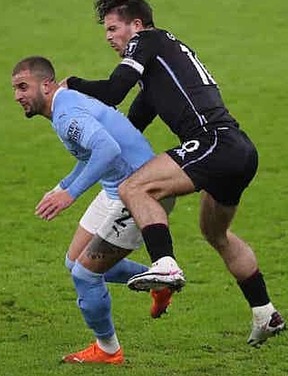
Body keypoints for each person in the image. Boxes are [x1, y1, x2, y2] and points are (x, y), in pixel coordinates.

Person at [61, 0, 286, 347]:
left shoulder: (148, 40)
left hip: (214, 142)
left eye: (113, 28)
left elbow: (114, 91)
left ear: (136, 25)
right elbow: (129, 126)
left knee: (135, 187)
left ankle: (164, 264)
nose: (109, 38)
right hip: (238, 149)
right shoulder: (159, 71)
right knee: (215, 233)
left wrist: (70, 86)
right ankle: (265, 313)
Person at [11, 56, 175, 364]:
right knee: (74, 262)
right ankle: (157, 281)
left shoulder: (66, 113)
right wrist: (63, 185)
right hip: (118, 189)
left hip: (142, 193)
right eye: (15, 89)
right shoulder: (64, 104)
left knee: (85, 275)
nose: (17, 96)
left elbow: (107, 149)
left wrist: (70, 195)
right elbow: (92, 153)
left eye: (23, 87)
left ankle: (108, 350)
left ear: (46, 85)